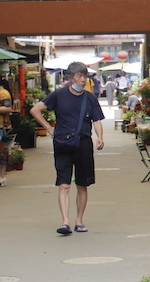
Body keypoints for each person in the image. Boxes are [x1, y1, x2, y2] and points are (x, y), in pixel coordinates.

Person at [30, 61, 105, 235]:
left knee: (82, 185)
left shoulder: (90, 98)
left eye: (84, 76)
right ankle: (65, 221)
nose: (82, 79)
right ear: (70, 78)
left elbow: (97, 120)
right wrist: (48, 128)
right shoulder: (58, 95)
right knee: (64, 185)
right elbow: (35, 110)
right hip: (63, 144)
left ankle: (79, 220)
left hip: (84, 143)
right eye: (79, 76)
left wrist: (100, 137)